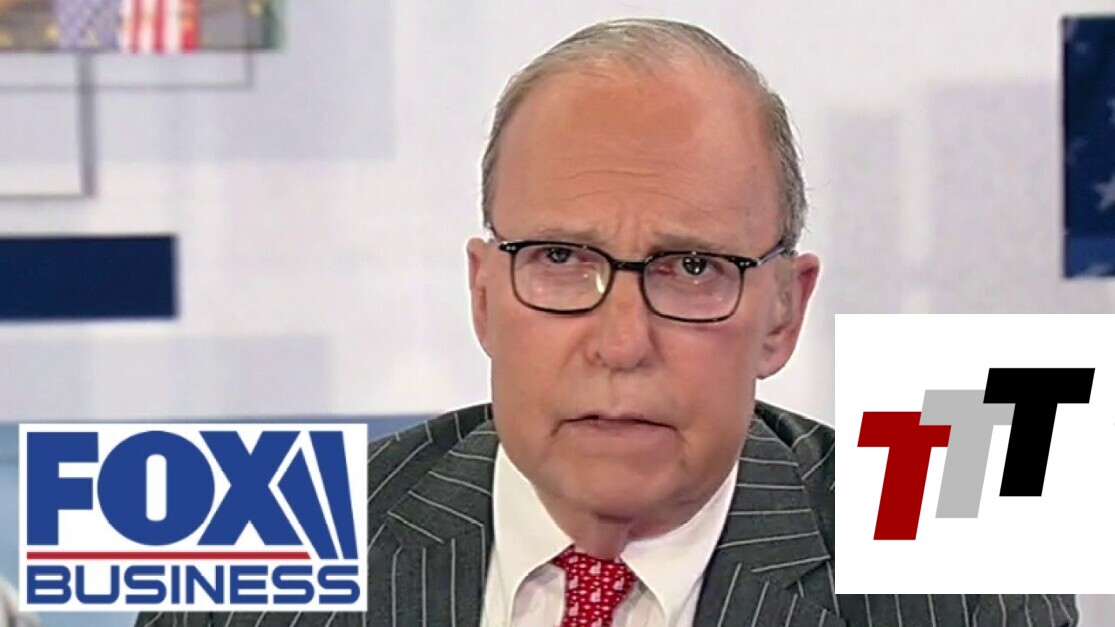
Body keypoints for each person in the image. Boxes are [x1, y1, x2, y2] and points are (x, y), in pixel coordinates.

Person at [136, 17, 1079, 627]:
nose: (621, 342)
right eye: (559, 258)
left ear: (781, 314)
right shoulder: (253, 562)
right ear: (482, 295)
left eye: (693, 267)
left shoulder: (963, 592)